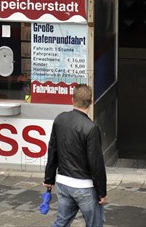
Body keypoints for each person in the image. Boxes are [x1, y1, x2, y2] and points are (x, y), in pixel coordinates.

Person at [44, 84, 107, 227]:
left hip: (63, 182)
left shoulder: (60, 119)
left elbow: (52, 149)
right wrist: (102, 192)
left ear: (72, 99)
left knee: (61, 222)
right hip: (84, 186)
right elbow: (96, 163)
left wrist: (49, 178)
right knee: (95, 224)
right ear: (91, 102)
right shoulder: (91, 128)